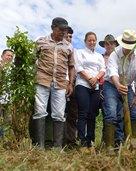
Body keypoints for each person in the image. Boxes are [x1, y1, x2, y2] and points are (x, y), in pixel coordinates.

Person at [32, 17, 75, 149]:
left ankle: (57, 148)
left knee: (59, 114)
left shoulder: (68, 46)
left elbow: (71, 66)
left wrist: (70, 84)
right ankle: (39, 146)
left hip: (61, 83)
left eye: (65, 30)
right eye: (60, 29)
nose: (63, 32)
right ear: (53, 27)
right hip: (42, 80)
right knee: (39, 111)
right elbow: (32, 59)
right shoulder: (41, 42)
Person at [102, 29, 136, 148]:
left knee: (135, 114)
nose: (129, 49)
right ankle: (110, 147)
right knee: (112, 114)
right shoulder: (114, 55)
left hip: (129, 87)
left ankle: (134, 146)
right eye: (127, 46)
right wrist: (118, 85)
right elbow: (112, 72)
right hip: (111, 85)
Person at [74, 32, 106, 151]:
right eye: (89, 40)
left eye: (94, 40)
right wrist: (89, 79)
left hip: (95, 87)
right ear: (85, 41)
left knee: (92, 114)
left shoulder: (99, 56)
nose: (92, 42)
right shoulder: (79, 52)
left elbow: (103, 68)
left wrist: (96, 78)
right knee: (83, 112)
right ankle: (81, 141)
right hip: (82, 84)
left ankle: (90, 141)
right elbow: (79, 67)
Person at [98, 34, 123, 146]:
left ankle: (118, 141)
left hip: (118, 86)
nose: (108, 45)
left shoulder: (119, 57)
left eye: (111, 43)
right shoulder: (100, 58)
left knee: (118, 114)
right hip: (103, 87)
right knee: (107, 114)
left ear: (115, 44)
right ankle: (106, 142)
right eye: (106, 44)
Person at [63, 26, 78, 147]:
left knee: (73, 113)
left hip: (73, 83)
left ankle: (71, 141)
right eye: (67, 36)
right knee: (59, 112)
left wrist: (71, 83)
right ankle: (58, 141)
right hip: (59, 82)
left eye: (71, 36)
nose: (69, 38)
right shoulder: (58, 48)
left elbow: (75, 68)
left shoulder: (75, 51)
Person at [0, 49, 14, 138]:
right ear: (2, 56)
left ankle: (3, 141)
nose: (10, 57)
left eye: (11, 56)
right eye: (8, 55)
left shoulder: (12, 70)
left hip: (8, 100)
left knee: (7, 121)